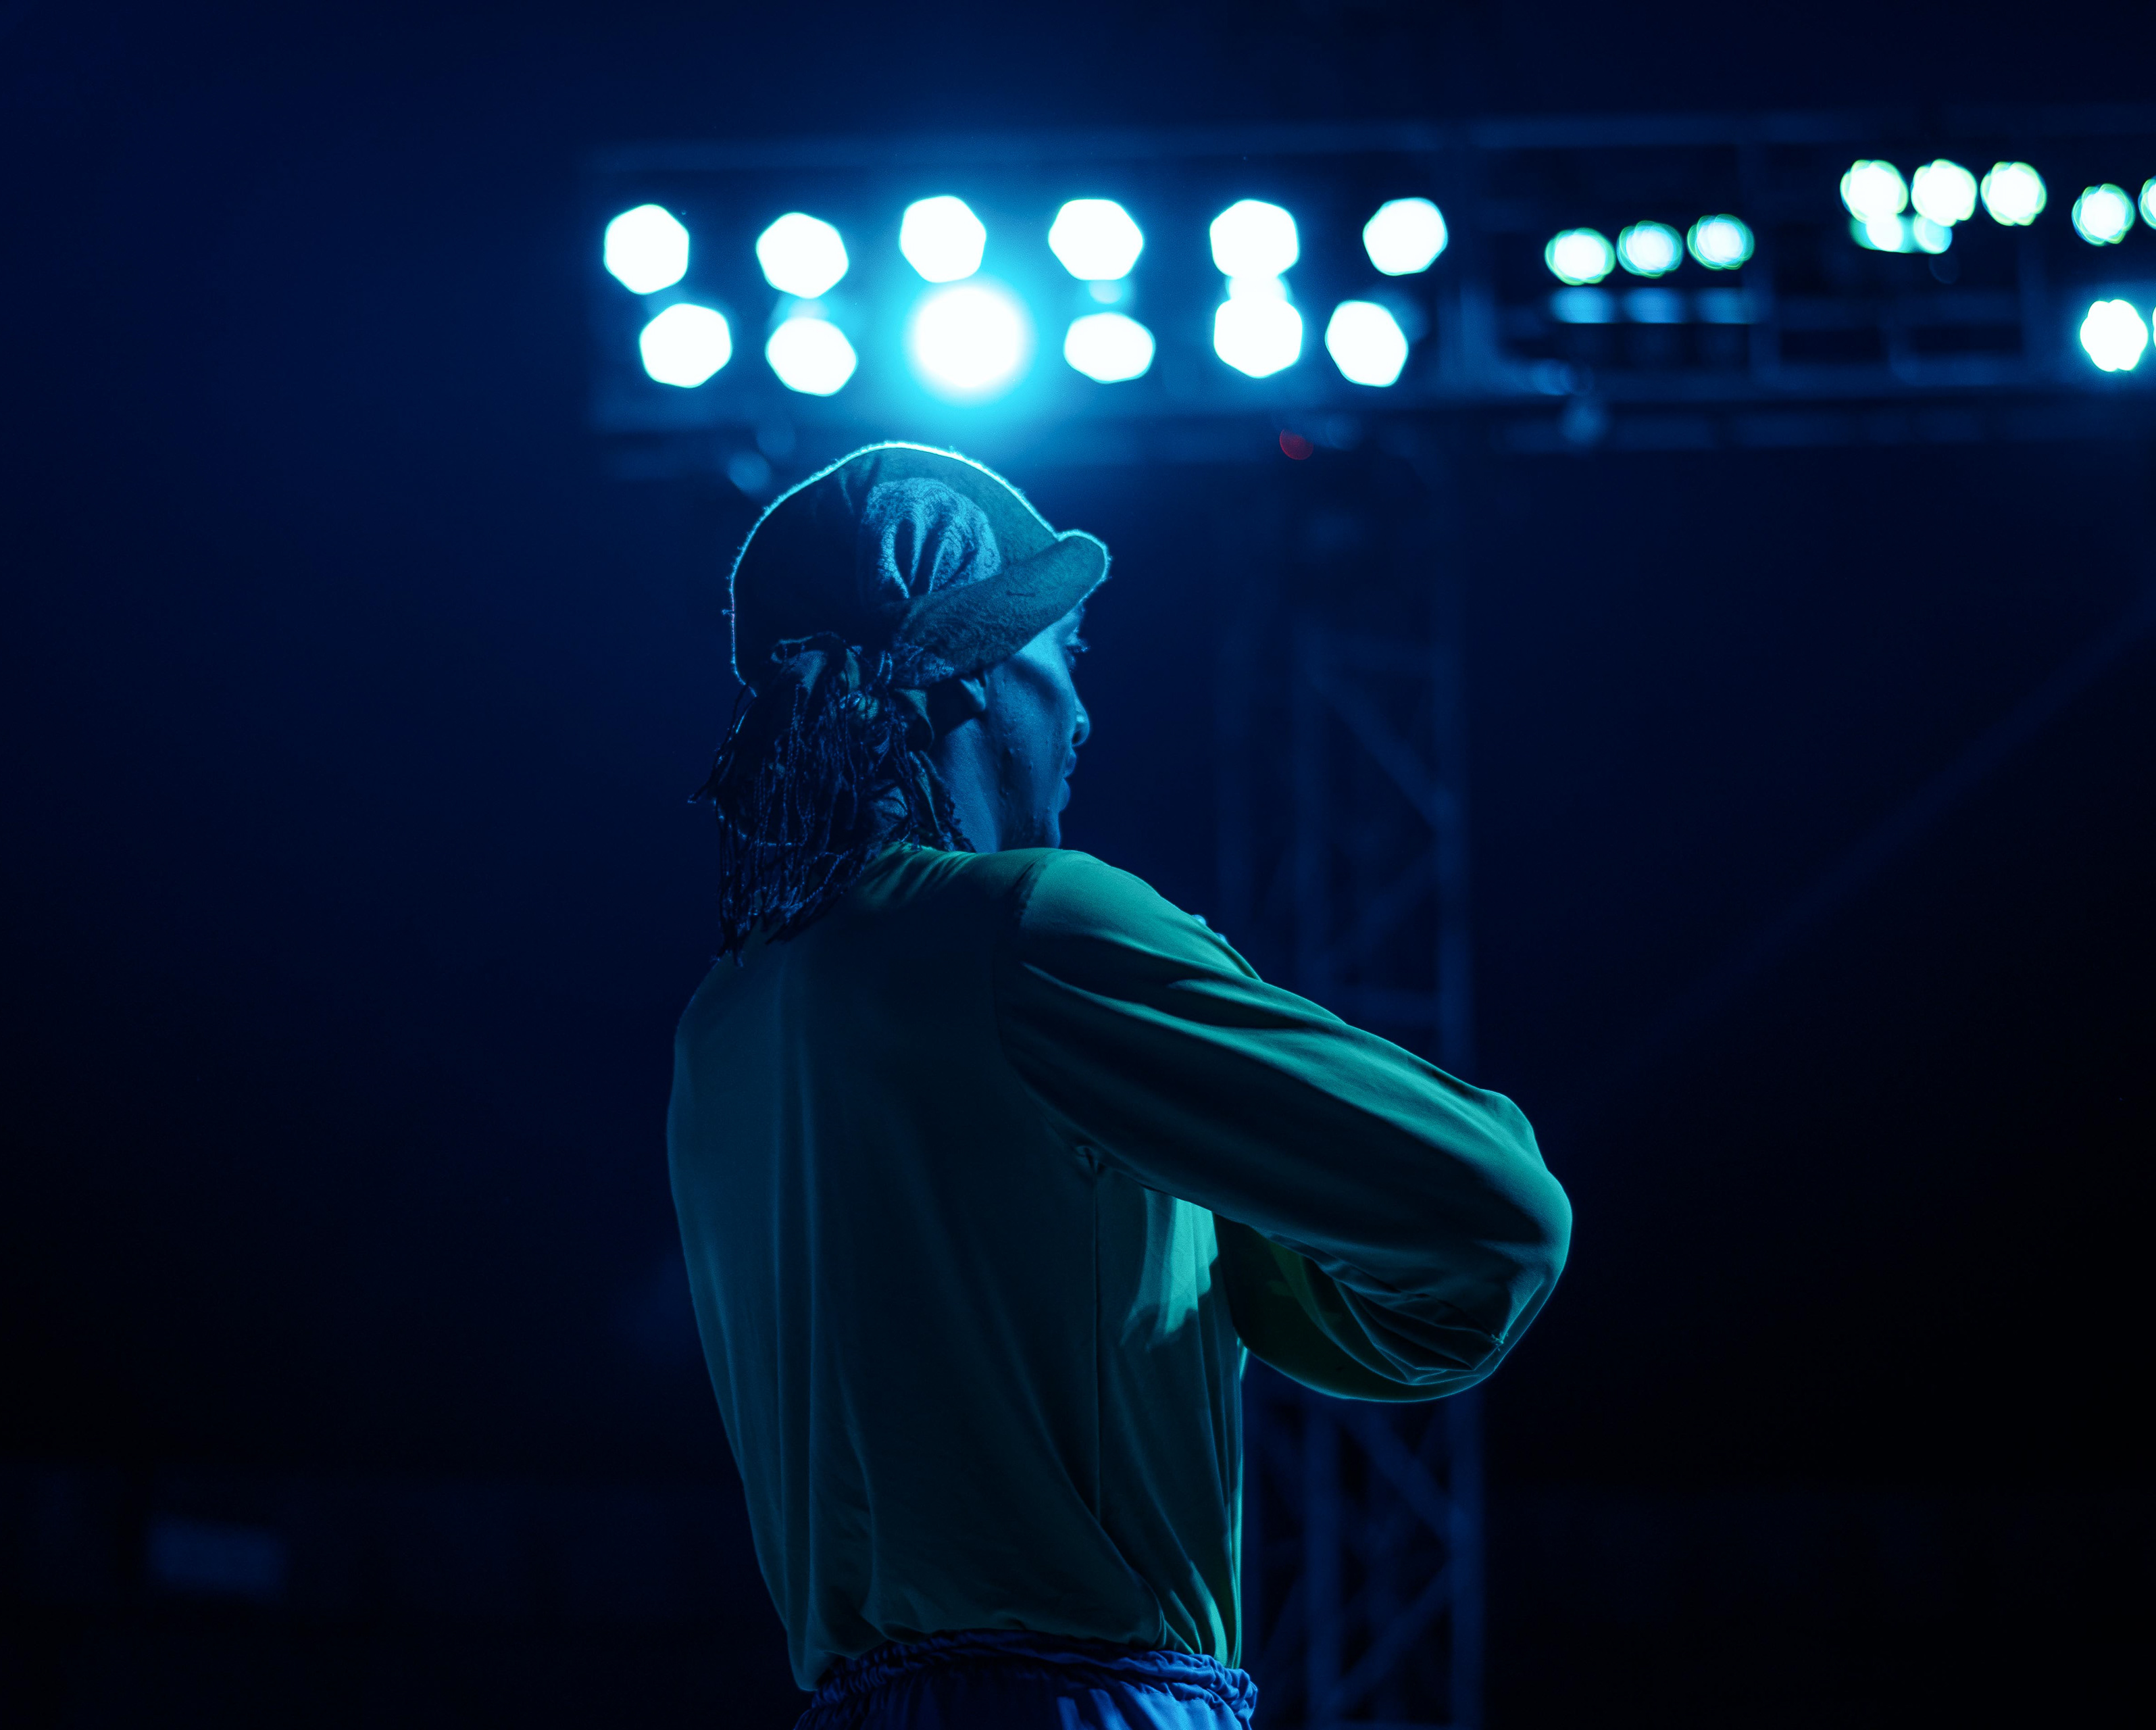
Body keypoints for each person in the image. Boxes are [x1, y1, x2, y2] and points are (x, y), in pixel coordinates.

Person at [669, 444, 1572, 1729]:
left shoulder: (726, 1022)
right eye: (1066, 656)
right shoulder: (1030, 925)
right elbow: (1501, 1218)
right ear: (970, 671)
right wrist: (1240, 1167)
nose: (1084, 715)